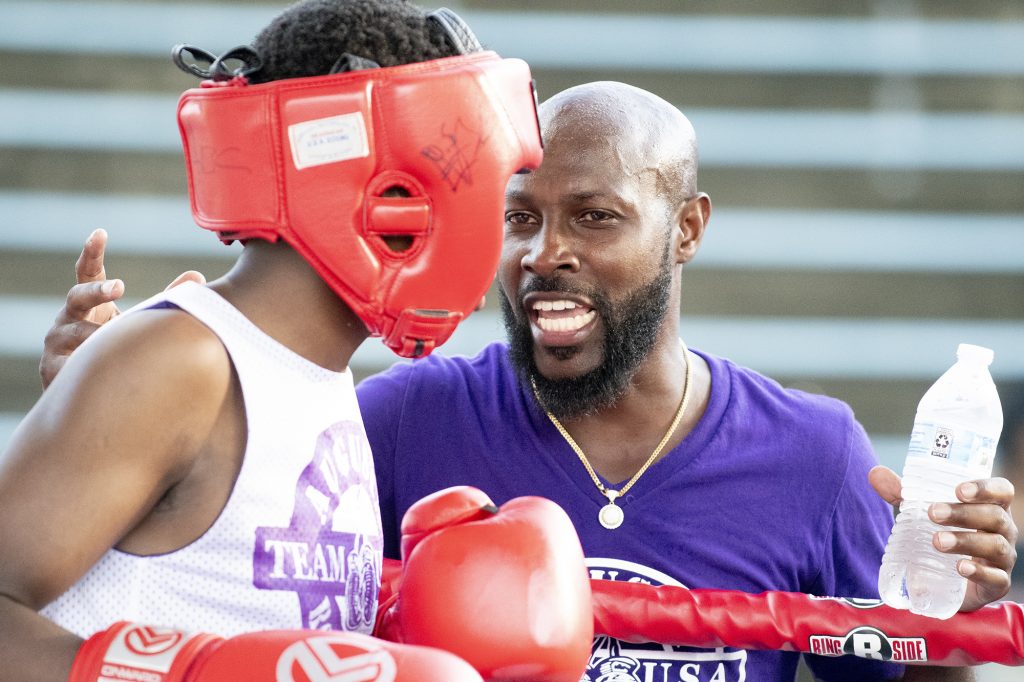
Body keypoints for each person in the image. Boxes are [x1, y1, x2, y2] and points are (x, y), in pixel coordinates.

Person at [39, 82, 1018, 681]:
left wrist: (956, 608)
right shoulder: (394, 420)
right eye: (520, 218)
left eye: (594, 216)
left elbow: (895, 676)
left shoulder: (812, 450)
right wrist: (95, 421)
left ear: (685, 229)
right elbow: (192, 578)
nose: (545, 253)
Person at [0, 0, 548, 680]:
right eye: (487, 195)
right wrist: (197, 673)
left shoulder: (317, 378)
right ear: (393, 193)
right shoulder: (186, 362)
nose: (506, 239)